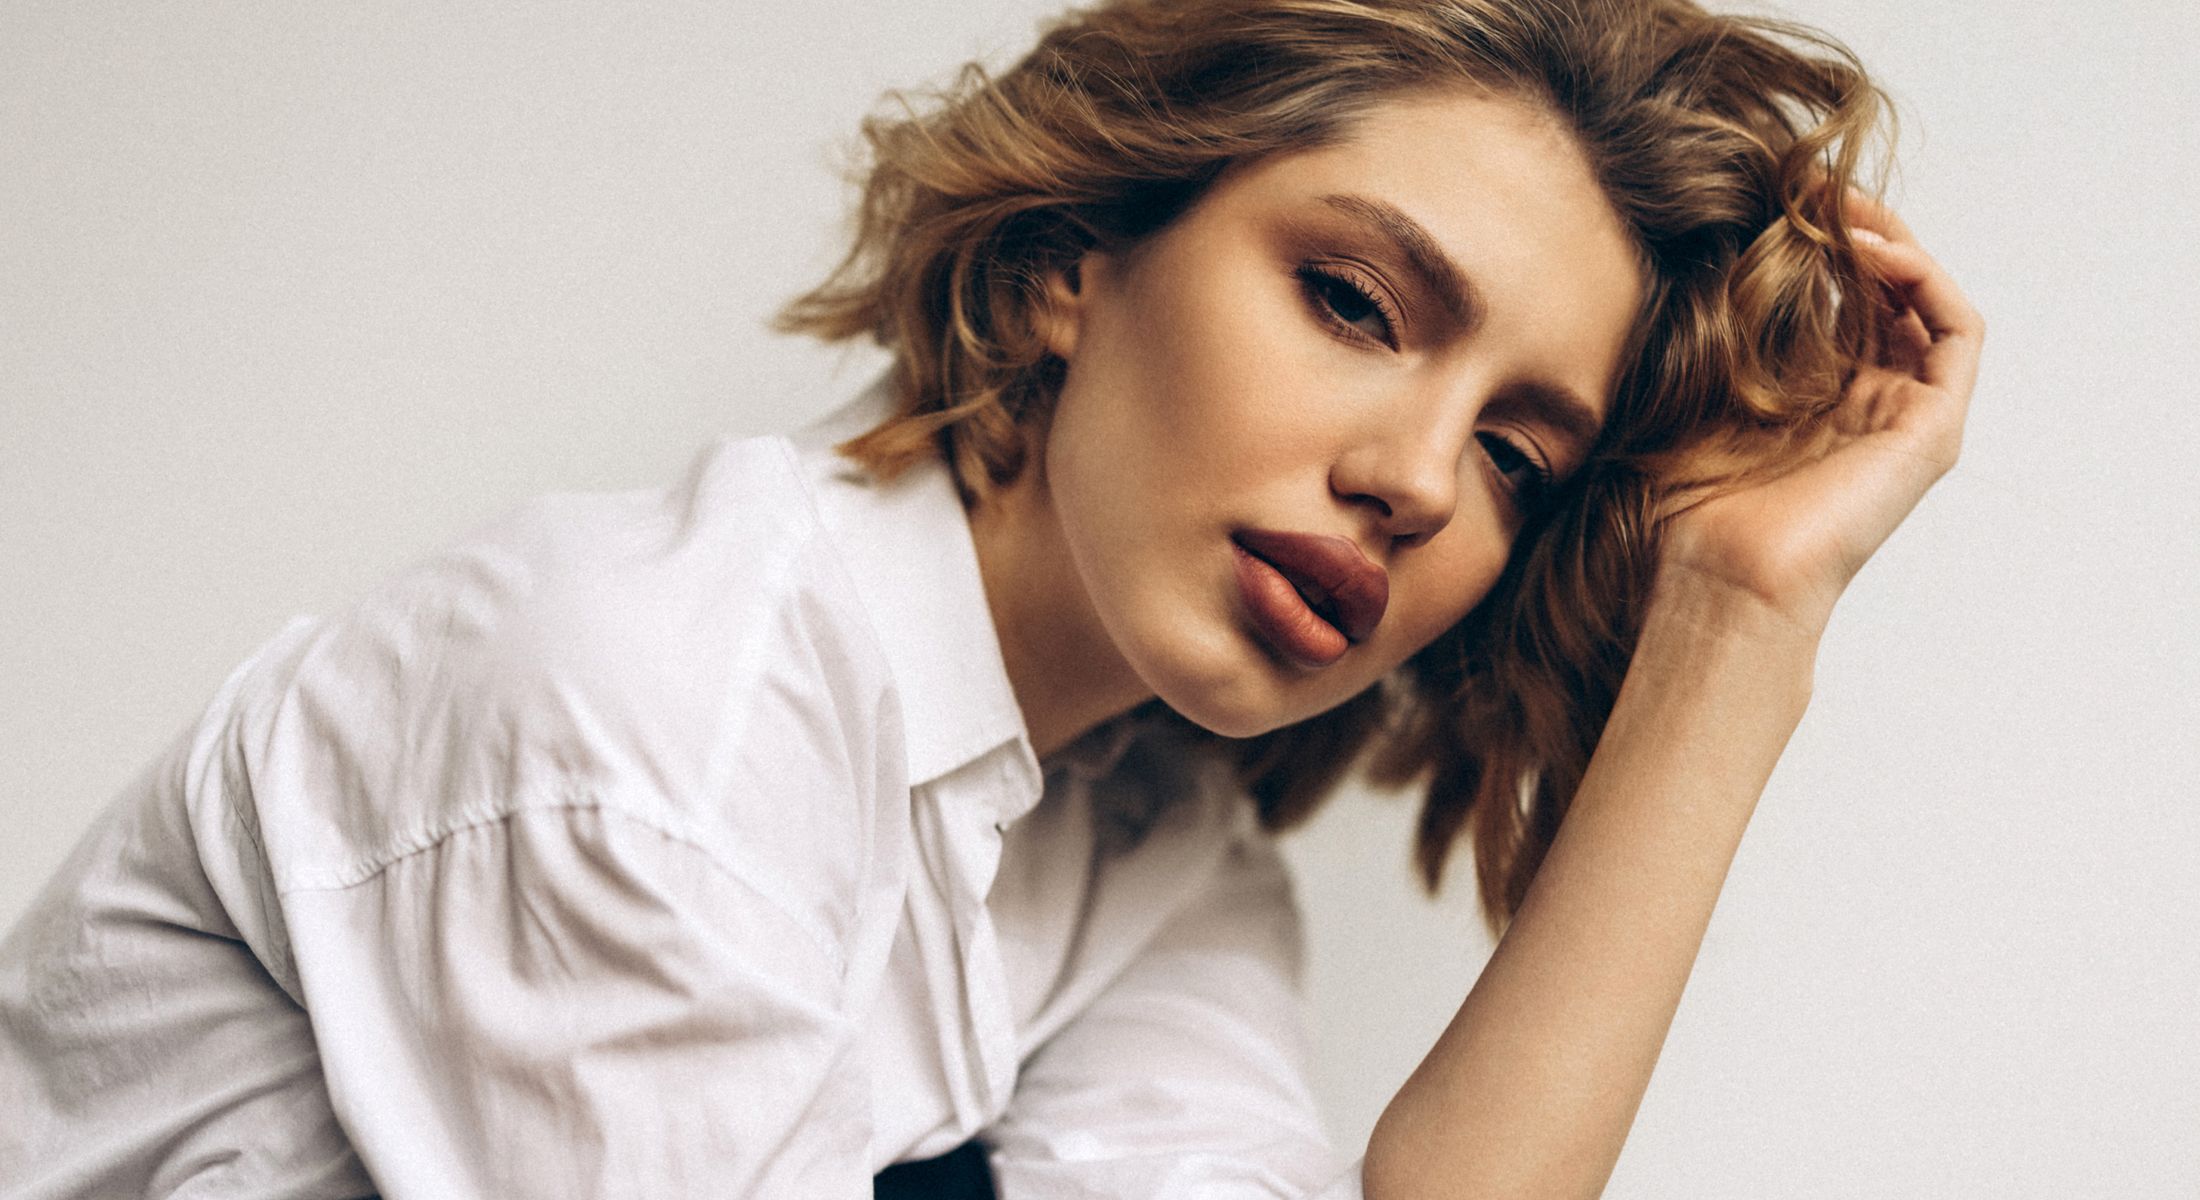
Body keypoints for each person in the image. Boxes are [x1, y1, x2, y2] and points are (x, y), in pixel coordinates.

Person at [0, 0, 1980, 1196]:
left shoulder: (1146, 853)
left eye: (1517, 458)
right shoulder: (650, 715)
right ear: (1064, 268)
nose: (1412, 476)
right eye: (1354, 302)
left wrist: (1740, 618)